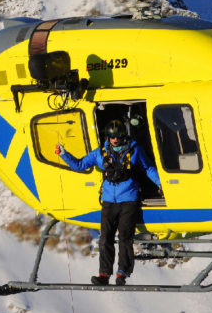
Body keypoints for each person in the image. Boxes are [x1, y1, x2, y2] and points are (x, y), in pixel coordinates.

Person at [57, 120, 160, 286]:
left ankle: (122, 273)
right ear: (108, 137)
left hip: (129, 199)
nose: (115, 139)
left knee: (125, 237)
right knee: (105, 238)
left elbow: (148, 168)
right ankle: (104, 274)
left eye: (118, 136)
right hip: (108, 201)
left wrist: (162, 184)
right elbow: (80, 165)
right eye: (112, 136)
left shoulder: (135, 150)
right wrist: (63, 154)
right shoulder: (100, 153)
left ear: (123, 135)